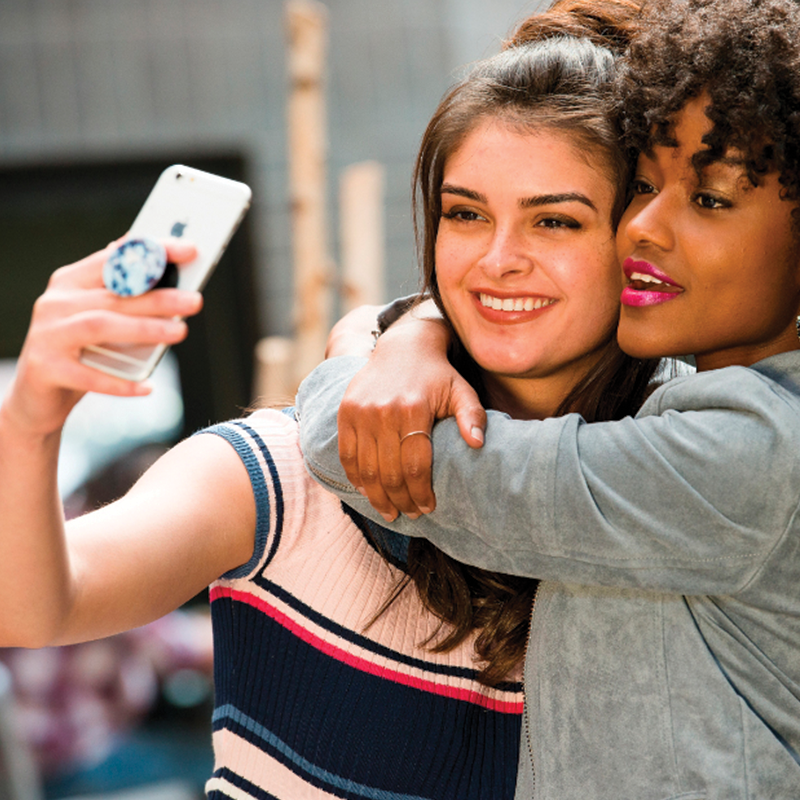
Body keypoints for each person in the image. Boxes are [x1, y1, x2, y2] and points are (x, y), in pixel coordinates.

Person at [0, 3, 650, 798]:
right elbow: (35, 606)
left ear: (639, 240)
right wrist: (32, 415)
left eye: (555, 221)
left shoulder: (678, 494)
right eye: (465, 214)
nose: (497, 259)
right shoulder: (285, 474)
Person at [297, 0, 800, 797]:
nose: (641, 228)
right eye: (642, 185)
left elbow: (390, 457)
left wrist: (357, 354)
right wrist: (418, 327)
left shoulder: (755, 455)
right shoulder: (699, 407)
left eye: (710, 200)